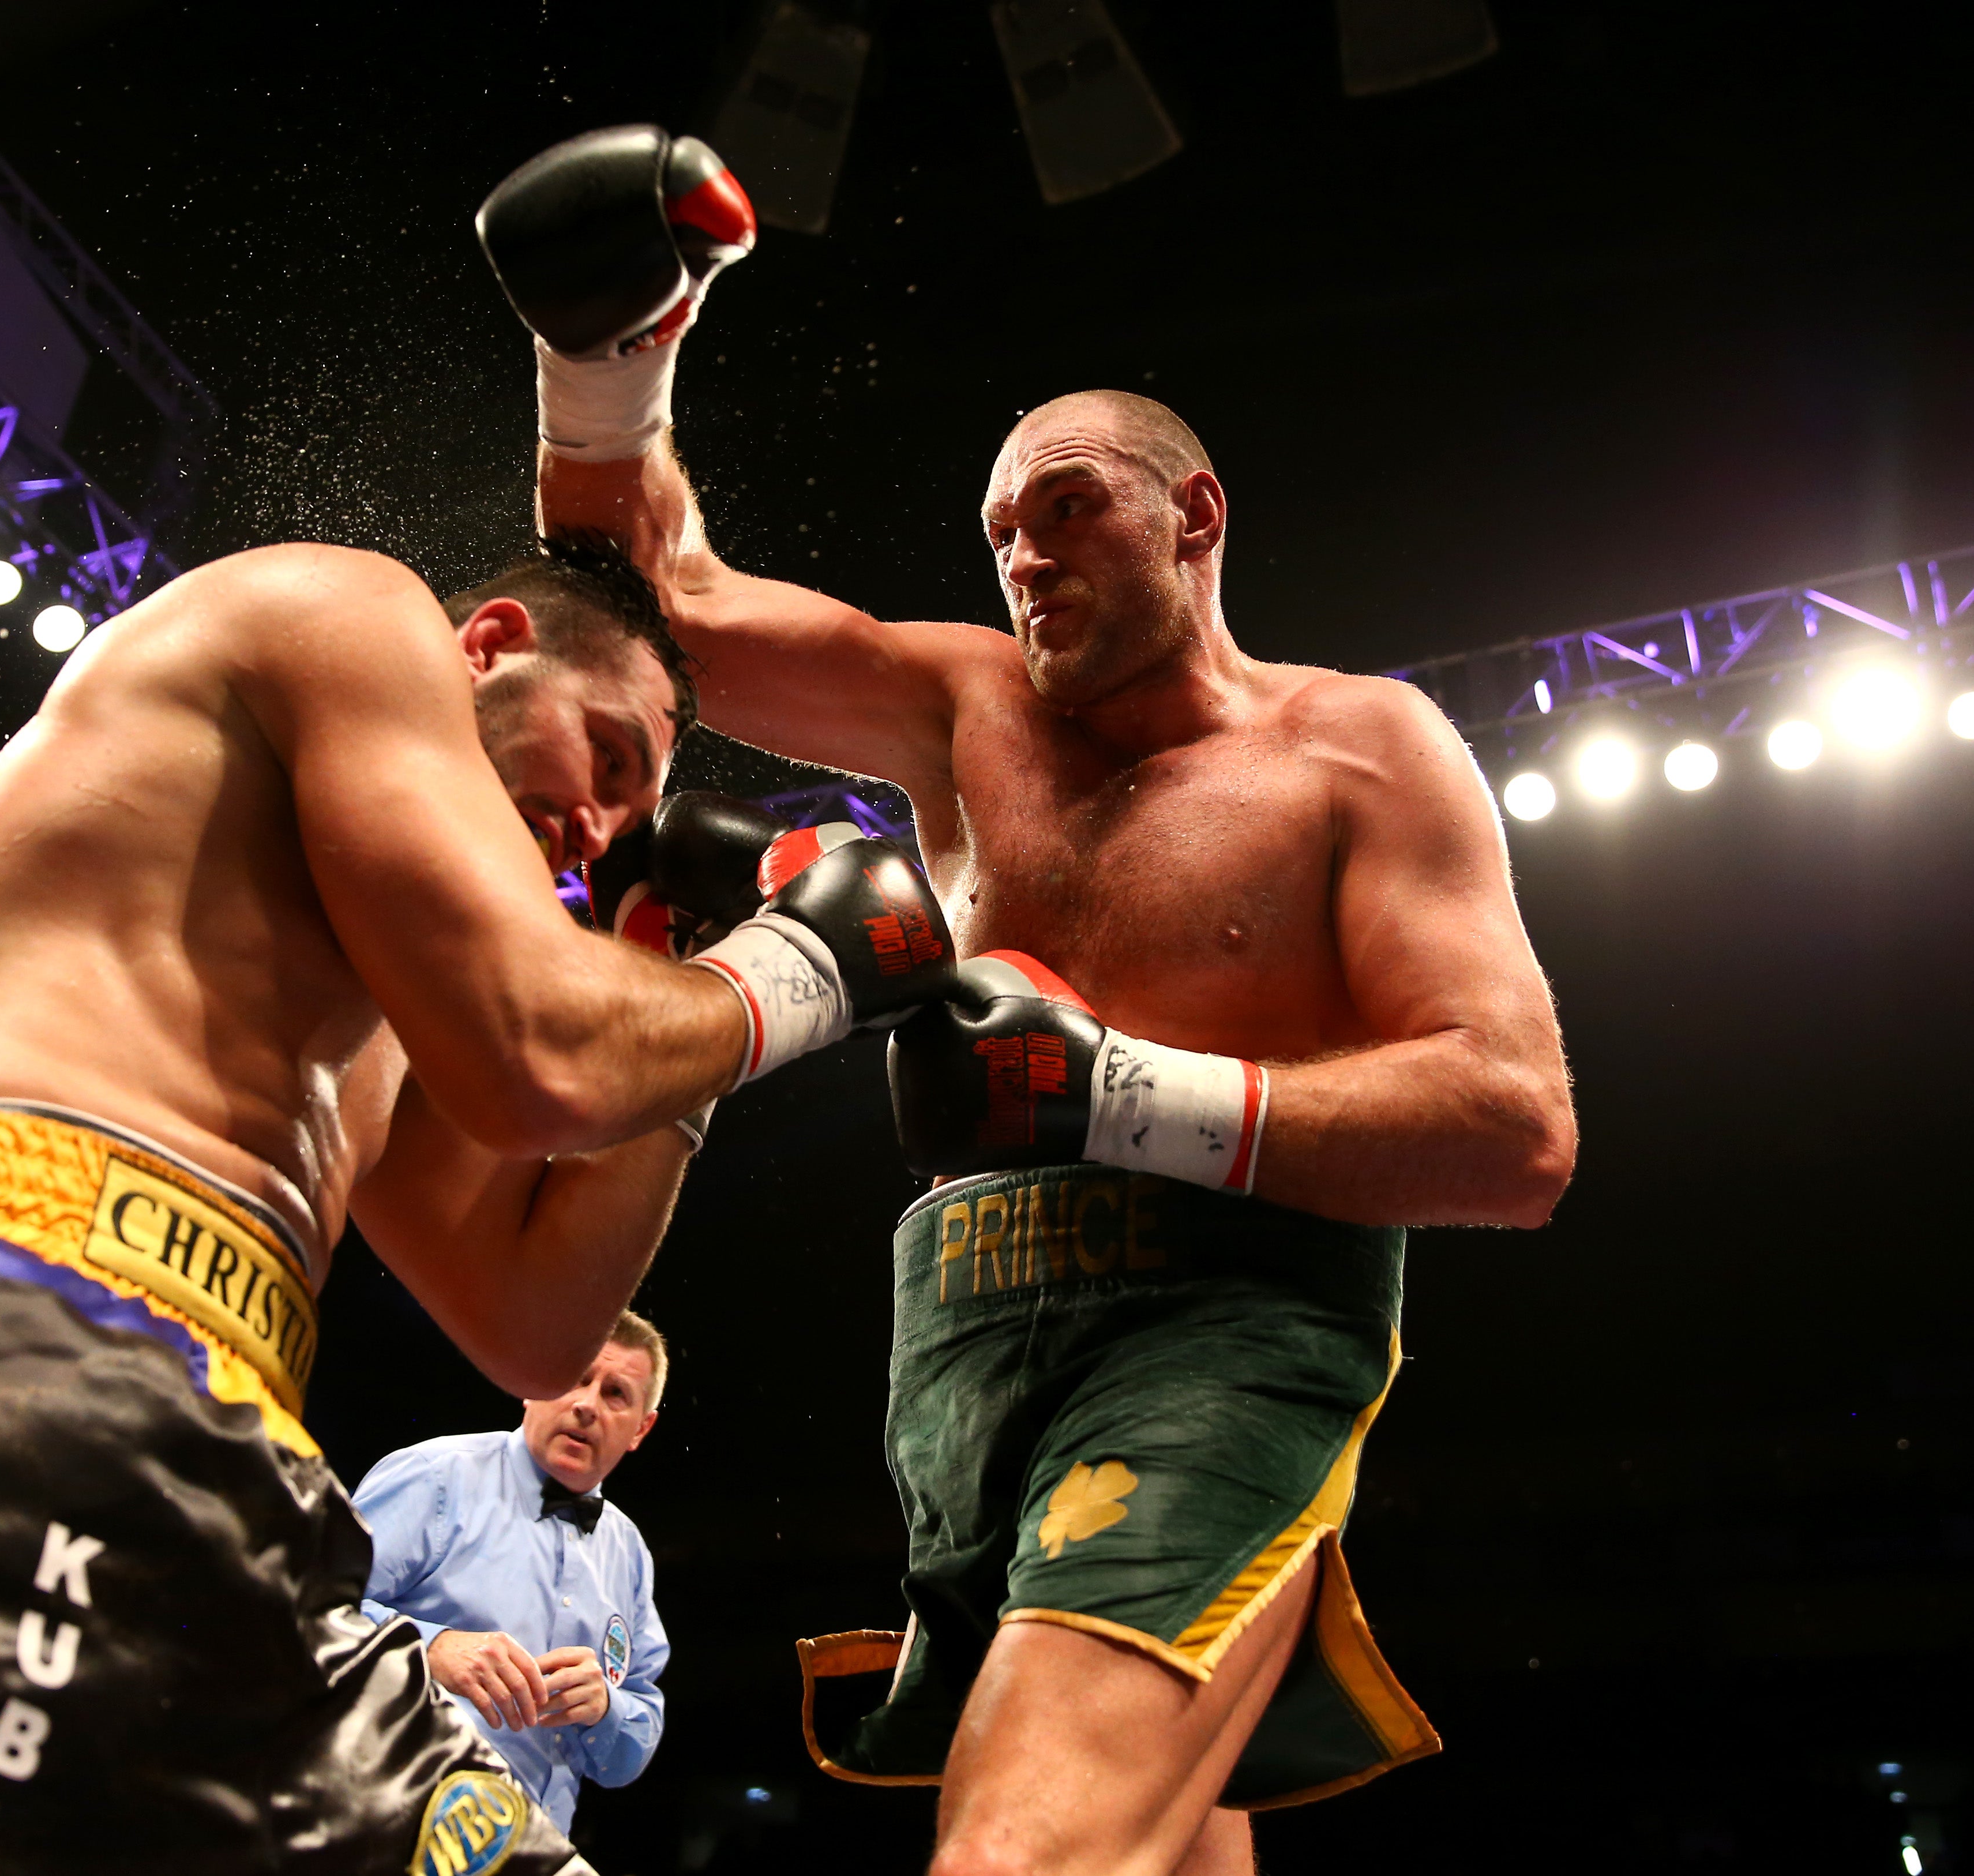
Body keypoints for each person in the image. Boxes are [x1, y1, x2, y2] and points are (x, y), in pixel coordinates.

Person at [0, 532, 956, 1876]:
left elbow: (536, 1315)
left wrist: (679, 1023)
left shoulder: (401, 1002)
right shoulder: (348, 610)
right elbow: (554, 1055)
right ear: (491, 643)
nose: (594, 830)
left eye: (629, 818)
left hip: (223, 1472)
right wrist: (791, 967)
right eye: (607, 754)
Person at [479, 129, 1578, 1876]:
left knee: (1024, 1845)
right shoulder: (961, 708)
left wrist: (1112, 1091)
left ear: (1193, 518)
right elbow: (650, 603)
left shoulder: (1352, 748)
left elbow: (1513, 1128)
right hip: (960, 1357)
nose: (1025, 561)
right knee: (1148, 1839)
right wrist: (603, 357)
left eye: (1068, 510)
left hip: (1218, 1334)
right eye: (1001, 530)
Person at [353, 1313, 673, 1837]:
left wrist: (605, 1710)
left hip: (538, 1851)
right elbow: (305, 1609)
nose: (587, 1405)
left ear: (641, 1428)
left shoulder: (629, 1553)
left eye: (615, 1393)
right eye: (575, 1377)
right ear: (533, 1383)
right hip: (392, 1831)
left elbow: (631, 1752)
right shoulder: (438, 1478)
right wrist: (432, 1649)